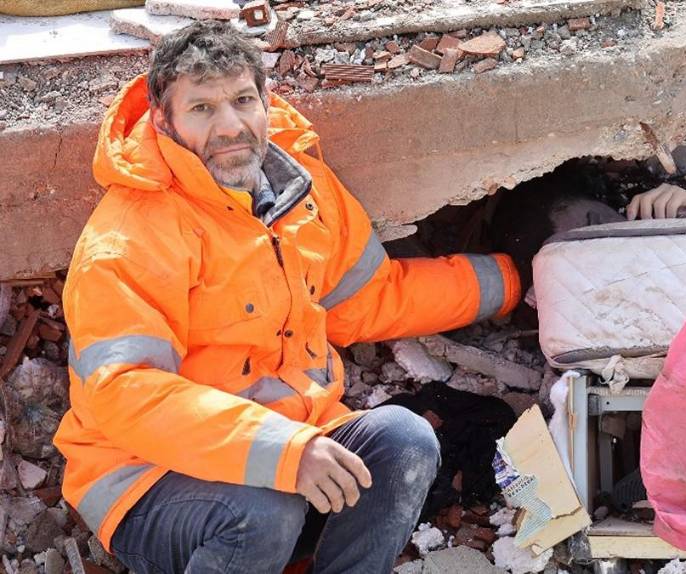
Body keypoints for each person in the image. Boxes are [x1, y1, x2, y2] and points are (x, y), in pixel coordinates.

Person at [53, 20, 520, 574]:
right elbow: (125, 392)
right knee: (263, 509)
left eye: (242, 101)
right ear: (165, 121)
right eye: (202, 109)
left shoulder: (303, 189)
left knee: (405, 440)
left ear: (265, 101)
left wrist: (511, 281)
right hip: (147, 479)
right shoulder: (130, 236)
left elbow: (369, 298)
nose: (230, 126)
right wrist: (283, 452)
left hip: (293, 451)